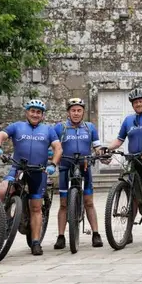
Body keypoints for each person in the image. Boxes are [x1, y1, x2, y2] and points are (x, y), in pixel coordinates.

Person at [0, 99, 62, 256]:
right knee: (3, 190)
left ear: (43, 115)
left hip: (38, 171)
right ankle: (5, 218)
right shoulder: (17, 126)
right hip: (18, 168)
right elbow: (1, 135)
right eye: (32, 111)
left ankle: (36, 242)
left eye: (38, 112)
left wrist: (53, 164)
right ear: (26, 112)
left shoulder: (48, 130)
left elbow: (58, 148)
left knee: (36, 207)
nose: (35, 114)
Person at [104, 88, 142, 244]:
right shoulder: (128, 121)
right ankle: (128, 232)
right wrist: (108, 148)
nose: (138, 104)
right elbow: (119, 140)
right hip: (134, 160)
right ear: (132, 104)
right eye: (135, 102)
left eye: (140, 101)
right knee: (133, 195)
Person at [53, 98, 104, 250]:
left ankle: (96, 234)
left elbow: (97, 146)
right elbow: (54, 147)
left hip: (85, 166)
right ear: (68, 112)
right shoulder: (60, 128)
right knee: (63, 204)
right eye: (73, 110)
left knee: (89, 202)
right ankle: (61, 236)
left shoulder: (89, 128)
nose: (76, 113)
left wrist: (100, 153)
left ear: (83, 112)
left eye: (79, 110)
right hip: (65, 167)